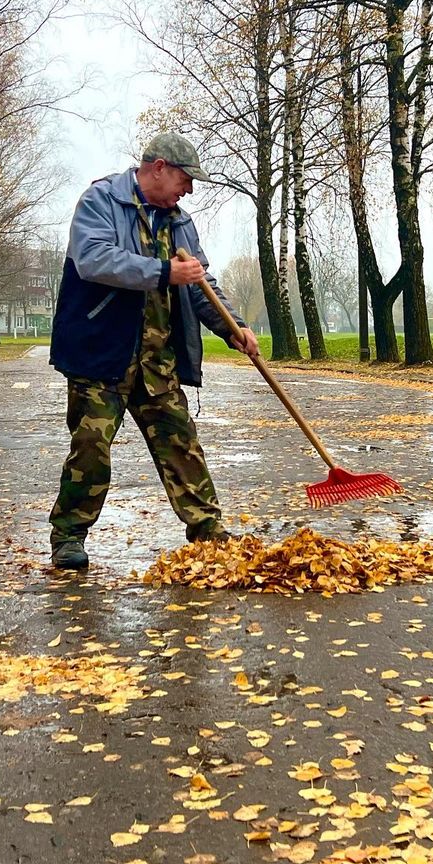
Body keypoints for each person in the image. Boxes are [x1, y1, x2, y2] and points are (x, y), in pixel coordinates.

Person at [47, 132, 259, 570]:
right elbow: (94, 259)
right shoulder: (101, 201)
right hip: (101, 354)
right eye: (185, 178)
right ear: (158, 167)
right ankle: (68, 536)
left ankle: (208, 530)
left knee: (181, 443)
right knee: (91, 447)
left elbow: (201, 286)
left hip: (156, 361)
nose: (190, 189)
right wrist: (164, 271)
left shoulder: (180, 222)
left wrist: (231, 326)